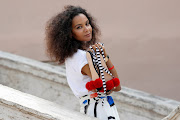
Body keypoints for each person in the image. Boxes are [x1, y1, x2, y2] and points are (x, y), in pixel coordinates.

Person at [45, 5, 121, 120]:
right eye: (79, 27)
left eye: (87, 23)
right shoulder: (81, 57)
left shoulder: (74, 56)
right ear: (70, 33)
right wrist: (100, 57)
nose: (87, 29)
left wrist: (105, 57)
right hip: (98, 110)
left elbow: (117, 86)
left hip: (97, 108)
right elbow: (108, 85)